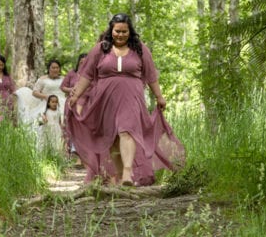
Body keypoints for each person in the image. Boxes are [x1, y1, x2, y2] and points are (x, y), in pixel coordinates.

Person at [66, 13, 185, 186]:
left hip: (131, 97)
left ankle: (128, 174)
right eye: (117, 31)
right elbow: (87, 75)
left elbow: (151, 75)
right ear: (111, 30)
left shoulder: (140, 49)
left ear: (130, 32)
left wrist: (159, 96)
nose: (120, 35)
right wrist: (76, 95)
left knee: (126, 131)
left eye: (124, 32)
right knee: (113, 138)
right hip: (106, 100)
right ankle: (120, 177)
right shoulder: (101, 49)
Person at [15, 59, 65, 128]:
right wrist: (45, 96)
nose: (55, 69)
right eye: (53, 68)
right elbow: (35, 92)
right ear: (49, 69)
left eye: (57, 68)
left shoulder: (63, 79)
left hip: (62, 102)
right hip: (47, 102)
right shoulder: (43, 79)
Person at [61, 53, 89, 165]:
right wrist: (71, 90)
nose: (83, 64)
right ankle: (75, 156)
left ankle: (84, 158)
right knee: (72, 129)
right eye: (81, 62)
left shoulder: (91, 74)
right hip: (71, 104)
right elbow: (63, 87)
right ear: (78, 62)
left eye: (85, 62)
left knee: (84, 130)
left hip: (86, 104)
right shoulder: (72, 73)